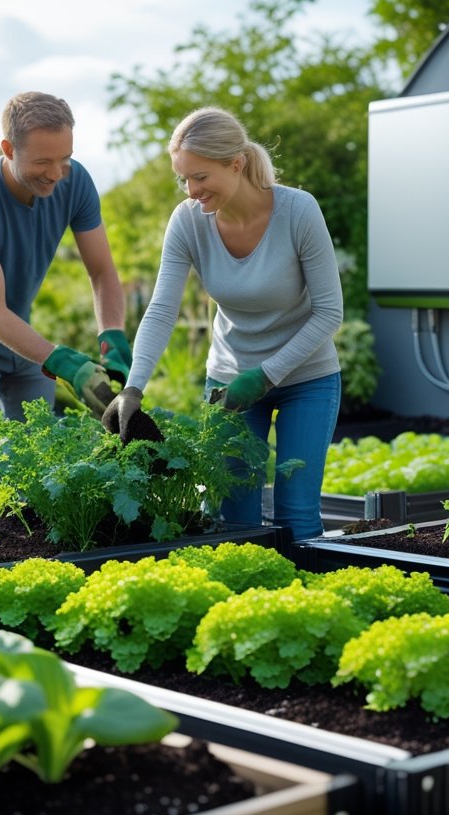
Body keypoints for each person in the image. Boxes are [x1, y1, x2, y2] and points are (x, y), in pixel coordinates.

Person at [102, 106, 343, 540]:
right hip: (229, 388)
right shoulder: (188, 221)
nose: (192, 190)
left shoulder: (298, 212)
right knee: (233, 519)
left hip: (308, 378)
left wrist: (267, 375)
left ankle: (306, 604)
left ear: (236, 164)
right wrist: (133, 388)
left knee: (297, 513)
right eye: (184, 178)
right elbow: (161, 309)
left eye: (200, 177)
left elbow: (330, 312)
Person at [0, 91, 131, 516]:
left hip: (20, 328)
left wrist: (112, 335)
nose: (56, 173)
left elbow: (103, 272)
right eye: (43, 162)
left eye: (65, 158)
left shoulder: (75, 182)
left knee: (45, 467)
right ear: (8, 149)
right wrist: (64, 363)